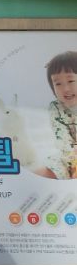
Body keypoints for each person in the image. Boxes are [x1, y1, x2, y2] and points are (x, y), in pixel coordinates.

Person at [37, 51, 77, 179]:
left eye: (71, 81)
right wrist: (73, 164)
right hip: (68, 155)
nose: (65, 89)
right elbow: (62, 139)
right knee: (47, 169)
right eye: (58, 83)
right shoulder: (56, 107)